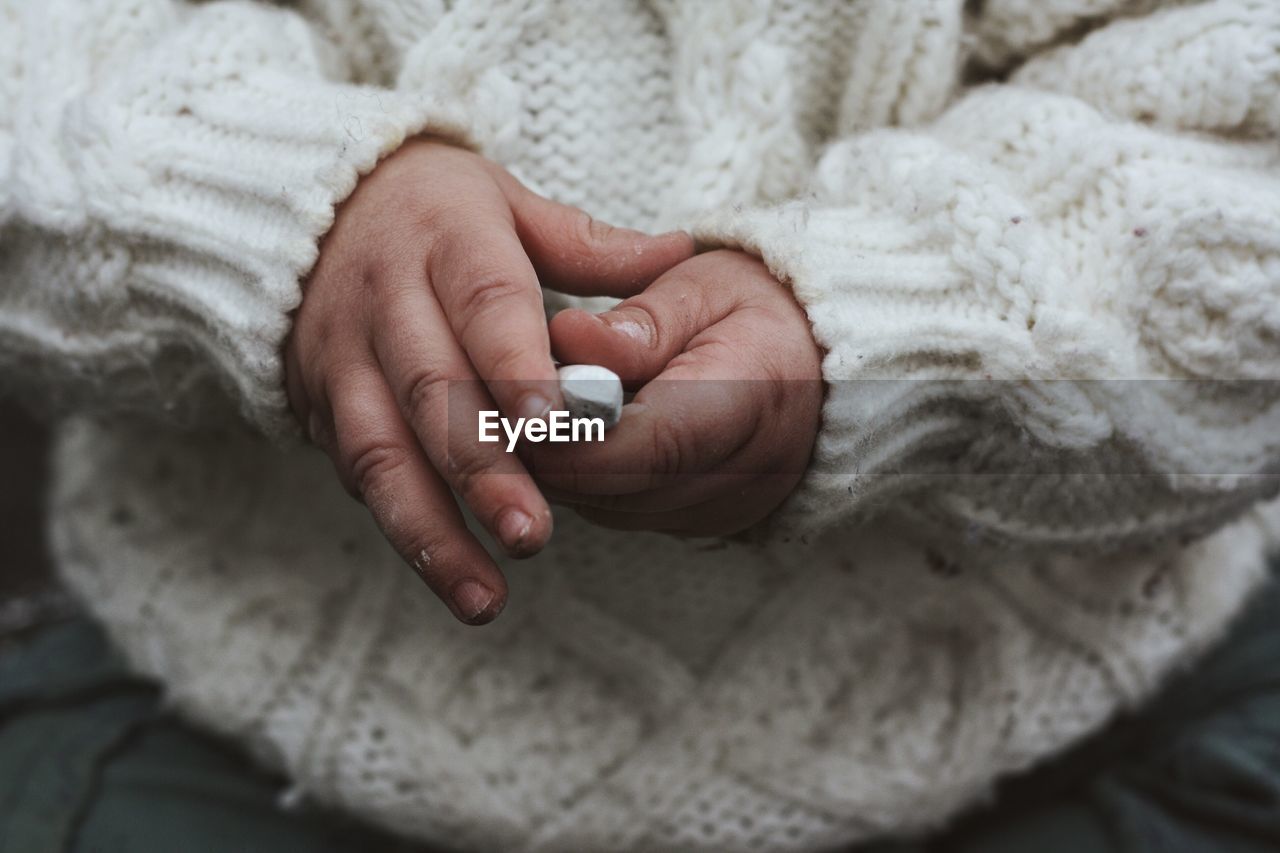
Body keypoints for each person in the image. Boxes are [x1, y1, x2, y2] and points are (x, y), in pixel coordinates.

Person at [2, 1, 1278, 850]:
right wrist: (285, 217)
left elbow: (1239, 145)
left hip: (1073, 724)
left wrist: (892, 329)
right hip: (237, 721)